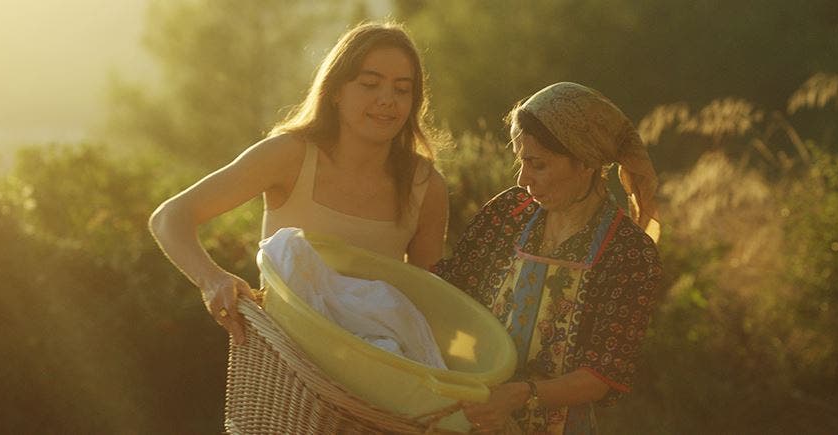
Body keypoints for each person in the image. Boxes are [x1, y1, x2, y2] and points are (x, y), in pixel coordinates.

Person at [149, 22, 449, 346]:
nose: (387, 99)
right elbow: (170, 217)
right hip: (283, 368)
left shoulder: (426, 185)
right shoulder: (289, 155)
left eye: (402, 89)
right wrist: (212, 280)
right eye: (370, 84)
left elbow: (426, 301)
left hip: (379, 376)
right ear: (335, 91)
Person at [433, 82, 662, 434]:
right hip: (471, 417)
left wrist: (521, 395)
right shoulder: (507, 214)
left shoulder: (628, 252)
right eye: (521, 162)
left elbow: (602, 373)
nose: (523, 179)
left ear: (585, 162)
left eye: (537, 165)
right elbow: (452, 294)